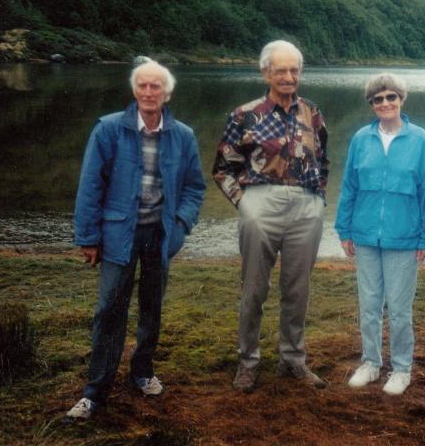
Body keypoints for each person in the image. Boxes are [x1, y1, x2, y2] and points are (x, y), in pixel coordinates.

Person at [65, 59, 206, 420]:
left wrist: (179, 227)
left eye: (155, 86)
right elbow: (90, 186)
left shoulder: (183, 135)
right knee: (109, 309)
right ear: (133, 90)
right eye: (142, 86)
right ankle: (95, 392)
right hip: (117, 234)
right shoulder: (109, 129)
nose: (148, 92)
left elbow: (194, 188)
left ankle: (142, 372)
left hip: (159, 236)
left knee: (151, 307)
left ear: (167, 93)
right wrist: (89, 237)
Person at [213, 40, 329, 393]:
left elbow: (324, 161)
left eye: (294, 70)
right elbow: (222, 169)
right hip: (259, 204)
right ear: (266, 72)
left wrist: (319, 199)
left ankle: (293, 360)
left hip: (305, 208)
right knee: (254, 289)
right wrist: (246, 204)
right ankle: (247, 362)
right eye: (281, 70)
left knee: (298, 289)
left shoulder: (313, 112)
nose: (289, 77)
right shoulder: (244, 114)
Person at [335, 73, 425, 395]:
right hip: (364, 236)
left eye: (391, 97)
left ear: (401, 100)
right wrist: (344, 228)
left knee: (400, 307)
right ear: (371, 104)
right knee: (369, 304)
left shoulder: (421, 140)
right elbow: (349, 185)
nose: (385, 103)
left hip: (404, 238)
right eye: (378, 99)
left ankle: (402, 369)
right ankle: (371, 363)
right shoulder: (360, 139)